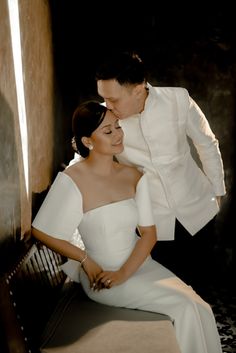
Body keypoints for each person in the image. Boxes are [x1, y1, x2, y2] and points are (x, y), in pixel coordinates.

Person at [32, 101, 223, 353]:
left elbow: (148, 234)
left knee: (201, 307)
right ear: (88, 141)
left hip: (141, 267)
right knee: (185, 307)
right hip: (104, 278)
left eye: (118, 126)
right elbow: (41, 231)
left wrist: (125, 272)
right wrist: (86, 260)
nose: (118, 134)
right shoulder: (72, 179)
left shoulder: (134, 175)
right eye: (108, 131)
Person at [93, 50, 226, 287]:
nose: (108, 106)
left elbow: (207, 143)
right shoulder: (103, 118)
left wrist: (217, 191)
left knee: (202, 287)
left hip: (198, 210)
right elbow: (88, 155)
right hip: (152, 225)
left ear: (138, 89)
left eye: (113, 99)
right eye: (104, 98)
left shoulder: (179, 99)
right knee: (168, 293)